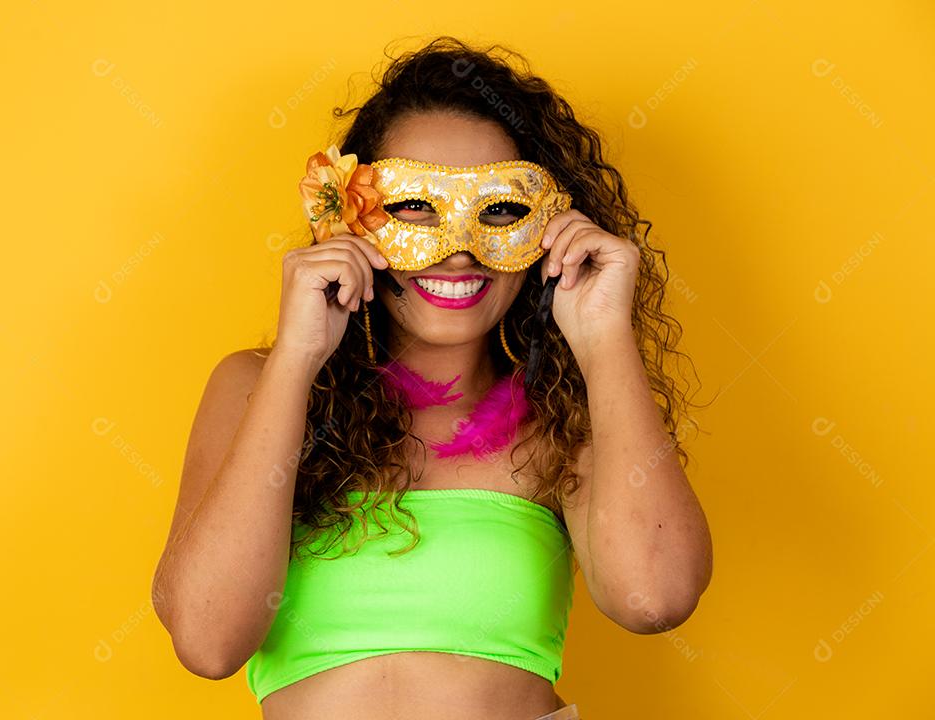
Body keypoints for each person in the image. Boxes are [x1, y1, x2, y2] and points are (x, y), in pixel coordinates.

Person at [151, 36, 713, 720]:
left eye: (501, 210)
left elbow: (654, 598)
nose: (458, 250)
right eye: (414, 206)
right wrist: (299, 358)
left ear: (551, 226)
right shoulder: (254, 387)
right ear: (347, 212)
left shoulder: (565, 418)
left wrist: (603, 339)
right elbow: (207, 641)